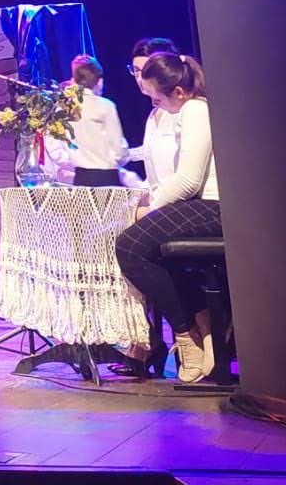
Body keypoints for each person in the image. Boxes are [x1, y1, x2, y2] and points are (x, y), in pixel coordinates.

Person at [113, 52, 222, 381]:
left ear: (178, 92)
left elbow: (188, 181)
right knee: (152, 250)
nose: (154, 104)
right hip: (198, 205)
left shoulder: (195, 110)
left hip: (212, 207)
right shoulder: (186, 110)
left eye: (157, 98)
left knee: (128, 247)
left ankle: (186, 334)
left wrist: (150, 208)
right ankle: (199, 322)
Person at [122, 37, 180, 188]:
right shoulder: (154, 114)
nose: (140, 78)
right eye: (136, 71)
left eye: (146, 71)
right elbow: (152, 153)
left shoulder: (183, 110)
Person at [65, 55, 130, 187]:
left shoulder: (66, 107)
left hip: (80, 177)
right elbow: (118, 148)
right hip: (106, 176)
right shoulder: (105, 106)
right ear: (99, 81)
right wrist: (124, 159)